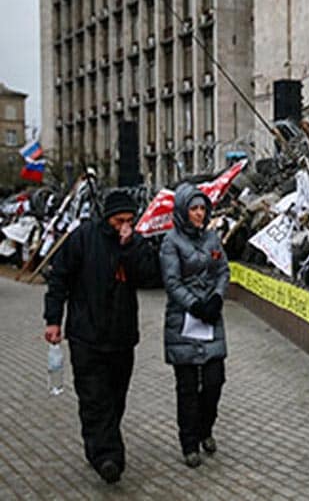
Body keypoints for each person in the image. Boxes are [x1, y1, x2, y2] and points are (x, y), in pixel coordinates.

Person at [43, 189, 161, 484]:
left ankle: (98, 445)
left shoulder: (135, 242)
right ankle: (108, 457)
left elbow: (150, 276)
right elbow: (59, 279)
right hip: (86, 335)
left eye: (129, 220)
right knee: (94, 398)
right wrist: (53, 319)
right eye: (119, 220)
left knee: (115, 399)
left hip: (122, 337)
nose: (124, 225)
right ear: (107, 217)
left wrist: (131, 246)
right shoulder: (82, 238)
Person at [159, 183, 229, 468]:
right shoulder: (171, 242)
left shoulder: (212, 239)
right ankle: (189, 442)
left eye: (202, 208)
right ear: (183, 212)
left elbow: (223, 270)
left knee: (214, 381)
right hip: (184, 321)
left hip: (211, 318)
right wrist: (194, 304)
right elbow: (172, 282)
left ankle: (205, 429)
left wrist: (215, 298)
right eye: (194, 209)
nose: (199, 214)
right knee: (187, 388)